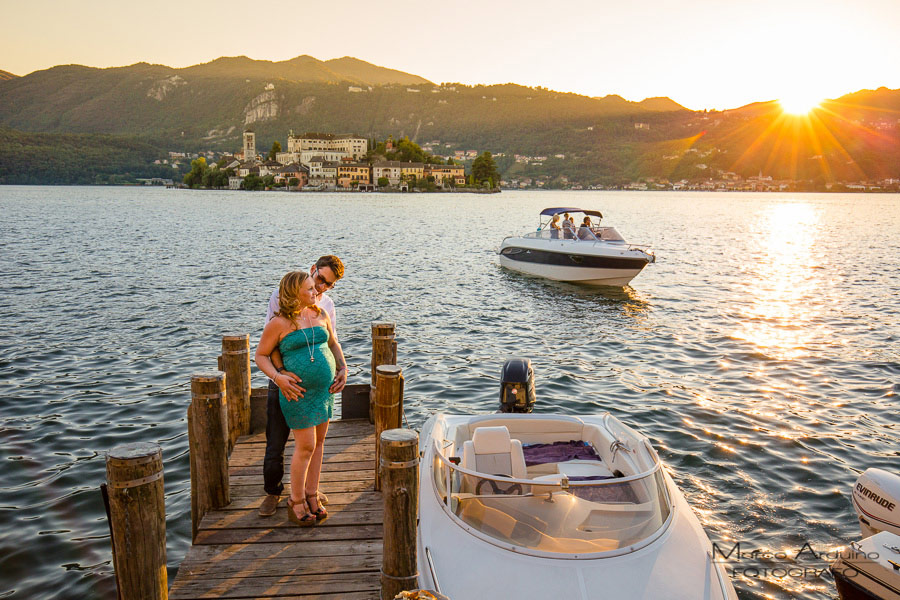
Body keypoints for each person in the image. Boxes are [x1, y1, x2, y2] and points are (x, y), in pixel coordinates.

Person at [255, 270, 348, 526]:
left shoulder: (321, 314)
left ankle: (311, 493)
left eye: (314, 287)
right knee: (305, 446)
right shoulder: (279, 323)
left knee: (318, 444)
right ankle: (295, 500)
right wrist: (278, 377)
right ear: (294, 293)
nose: (316, 291)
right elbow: (261, 355)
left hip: (324, 391)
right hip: (297, 392)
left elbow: (333, 344)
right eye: (309, 288)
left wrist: (342, 368)